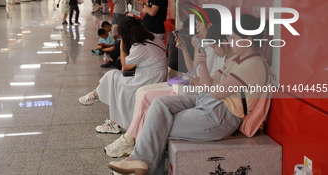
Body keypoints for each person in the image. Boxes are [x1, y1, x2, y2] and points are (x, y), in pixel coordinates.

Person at [107, 14, 269, 175]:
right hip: (209, 103)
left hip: (221, 116)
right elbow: (209, 85)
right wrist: (203, 62)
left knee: (159, 125)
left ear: (248, 39)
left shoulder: (253, 65)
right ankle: (140, 162)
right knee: (159, 104)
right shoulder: (237, 60)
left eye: (233, 37)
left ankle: (139, 162)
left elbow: (214, 91)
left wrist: (206, 75)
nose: (230, 41)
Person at [79, 16, 168, 132]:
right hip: (154, 75)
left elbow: (124, 66)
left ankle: (101, 102)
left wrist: (121, 44)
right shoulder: (151, 37)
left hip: (149, 79)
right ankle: (111, 118)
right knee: (113, 78)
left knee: (116, 82)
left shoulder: (140, 47)